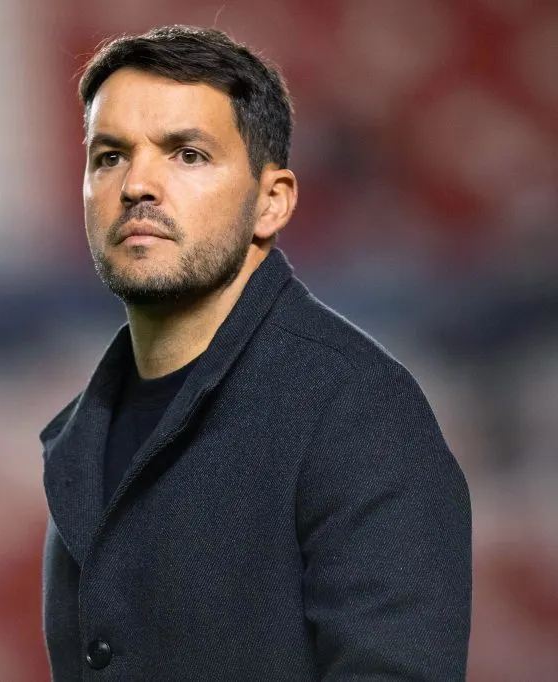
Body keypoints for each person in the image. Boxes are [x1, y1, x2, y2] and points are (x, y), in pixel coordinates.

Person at [39, 25, 471, 681]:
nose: (137, 185)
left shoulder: (360, 412)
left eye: (187, 154)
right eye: (110, 156)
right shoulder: (85, 434)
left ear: (272, 202)